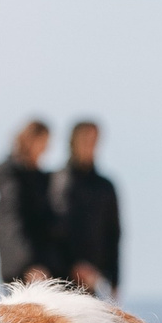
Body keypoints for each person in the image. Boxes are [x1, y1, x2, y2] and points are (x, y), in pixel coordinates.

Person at [51, 120, 122, 298]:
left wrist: (114, 279)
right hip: (57, 280)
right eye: (86, 140)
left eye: (94, 141)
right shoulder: (54, 182)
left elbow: (113, 234)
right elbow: (49, 230)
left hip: (93, 281)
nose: (90, 146)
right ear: (73, 142)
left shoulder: (105, 186)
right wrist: (72, 265)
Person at [0, 119, 58, 285]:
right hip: (24, 268)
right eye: (43, 142)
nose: (46, 148)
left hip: (45, 265)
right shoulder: (11, 176)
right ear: (30, 141)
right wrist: (27, 265)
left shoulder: (43, 179)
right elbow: (11, 222)